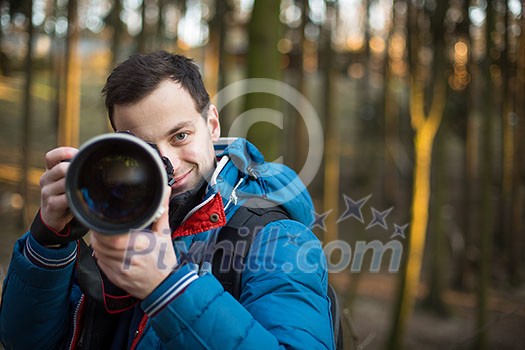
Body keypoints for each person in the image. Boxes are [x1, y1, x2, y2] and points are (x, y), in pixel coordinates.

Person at [0, 51, 334, 349]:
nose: (169, 165)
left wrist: (168, 288)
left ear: (212, 124)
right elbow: (22, 340)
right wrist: (48, 242)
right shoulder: (113, 214)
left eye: (180, 136)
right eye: (146, 148)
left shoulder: (275, 236)